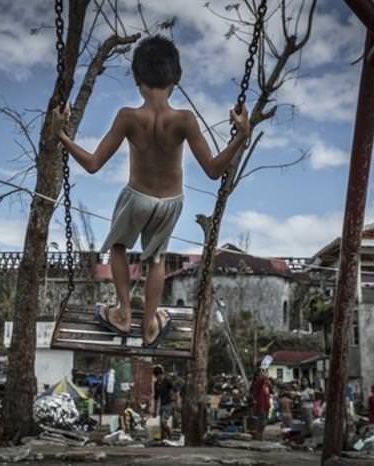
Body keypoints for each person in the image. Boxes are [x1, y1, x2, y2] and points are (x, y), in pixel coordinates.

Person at [52, 35, 250, 347]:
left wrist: (61, 136)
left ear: (136, 79)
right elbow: (214, 170)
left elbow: (92, 164)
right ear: (177, 78)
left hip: (136, 197)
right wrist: (241, 136)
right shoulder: (184, 120)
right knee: (156, 259)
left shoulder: (129, 117)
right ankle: (149, 326)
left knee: (118, 246)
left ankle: (123, 314)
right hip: (171, 202)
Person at [152, 365, 175, 440]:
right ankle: (164, 439)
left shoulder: (167, 381)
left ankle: (171, 435)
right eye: (158, 376)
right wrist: (155, 410)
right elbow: (156, 397)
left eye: (161, 375)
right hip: (162, 405)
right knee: (161, 425)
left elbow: (175, 391)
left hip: (169, 404)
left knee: (163, 422)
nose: (160, 377)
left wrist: (176, 402)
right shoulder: (156, 384)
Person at [251, 368, 271, 440]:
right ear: (257, 377)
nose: (262, 375)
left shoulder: (265, 385)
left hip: (266, 406)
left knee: (264, 422)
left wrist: (268, 383)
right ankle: (259, 436)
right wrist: (265, 375)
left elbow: (270, 392)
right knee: (261, 422)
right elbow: (262, 381)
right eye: (260, 374)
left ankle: (260, 436)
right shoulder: (257, 384)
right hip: (261, 406)